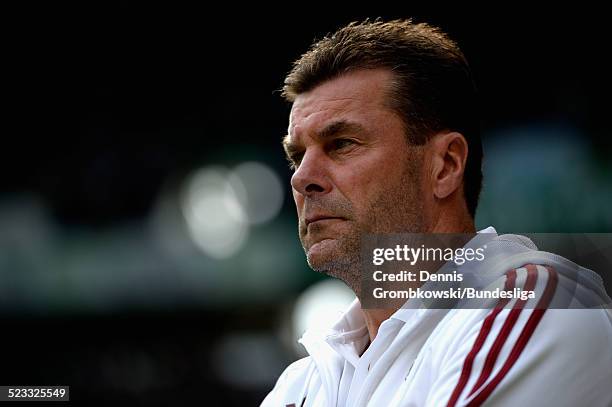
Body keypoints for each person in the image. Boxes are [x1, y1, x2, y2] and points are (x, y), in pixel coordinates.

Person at [262, 19, 612, 406]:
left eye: (342, 143)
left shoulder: (540, 306)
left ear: (444, 165)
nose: (302, 178)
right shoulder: (301, 384)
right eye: (297, 156)